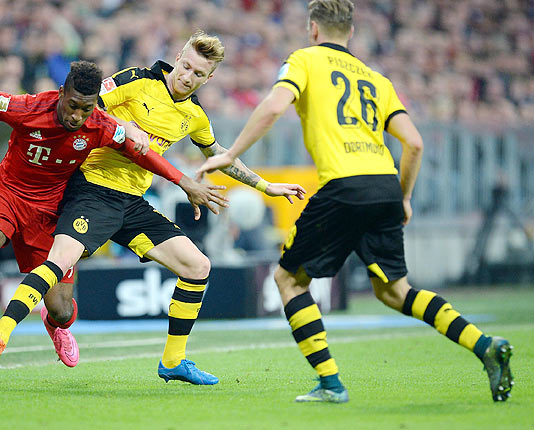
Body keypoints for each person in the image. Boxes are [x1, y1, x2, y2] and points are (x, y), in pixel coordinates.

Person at [196, 0, 514, 403]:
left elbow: (275, 105)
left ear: (314, 29)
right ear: (351, 32)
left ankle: (330, 384)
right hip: (384, 185)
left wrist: (229, 153)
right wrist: (404, 197)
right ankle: (483, 344)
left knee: (288, 279)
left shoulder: (305, 60)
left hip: (344, 185)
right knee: (395, 291)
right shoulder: (376, 79)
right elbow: (413, 143)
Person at [0, 30, 305, 385]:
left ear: (210, 78)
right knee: (57, 264)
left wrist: (266, 186)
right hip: (91, 189)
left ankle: (174, 360)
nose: (188, 76)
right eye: (187, 66)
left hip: (133, 203)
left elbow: (220, 157)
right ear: (178, 56)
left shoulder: (194, 116)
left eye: (198, 74)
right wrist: (124, 125)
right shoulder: (136, 80)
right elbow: (86, 104)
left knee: (198, 266)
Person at [0, 60, 225, 386]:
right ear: (62, 92)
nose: (77, 116)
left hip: (51, 211)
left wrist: (184, 182)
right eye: (73, 106)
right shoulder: (27, 107)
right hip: (6, 195)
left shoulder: (100, 125)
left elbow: (144, 154)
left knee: (63, 310)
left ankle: (56, 325)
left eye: (86, 108)